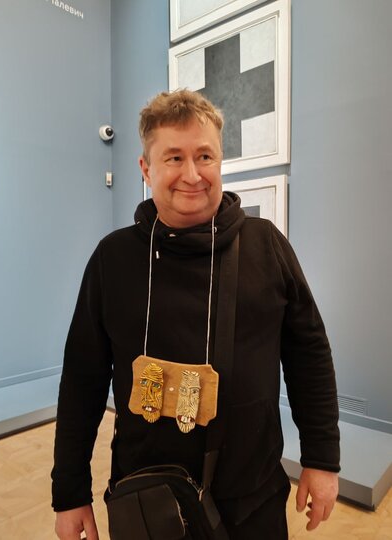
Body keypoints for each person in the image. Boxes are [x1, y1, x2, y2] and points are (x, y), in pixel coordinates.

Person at [52, 89, 340, 539]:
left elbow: (310, 357)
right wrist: (70, 492)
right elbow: (81, 381)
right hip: (147, 501)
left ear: (220, 162)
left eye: (205, 156)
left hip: (253, 498)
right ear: (146, 169)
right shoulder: (113, 259)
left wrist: (321, 459)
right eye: (174, 158)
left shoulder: (267, 245)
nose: (192, 174)